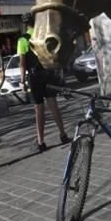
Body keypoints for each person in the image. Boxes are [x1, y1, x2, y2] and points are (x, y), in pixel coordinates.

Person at [19, 13, 69, 152]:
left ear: (25, 25)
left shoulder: (23, 40)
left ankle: (41, 142)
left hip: (34, 78)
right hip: (47, 74)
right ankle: (63, 135)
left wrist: (22, 81)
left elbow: (23, 64)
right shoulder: (43, 36)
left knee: (39, 109)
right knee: (54, 106)